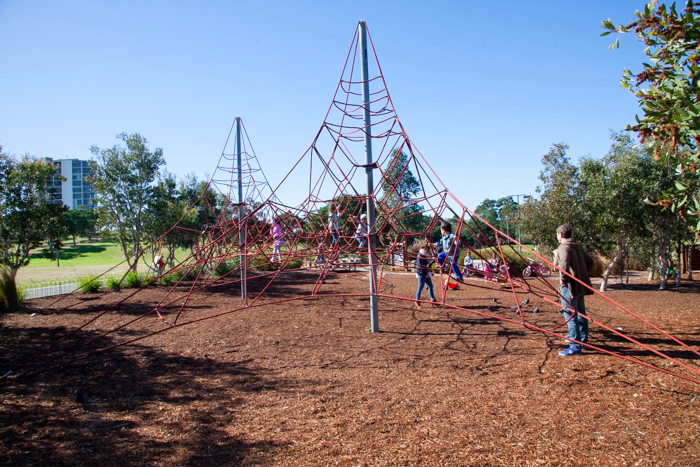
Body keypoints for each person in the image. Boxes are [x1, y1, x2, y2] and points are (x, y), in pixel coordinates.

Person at [554, 223, 594, 356]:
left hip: (570, 287)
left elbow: (564, 263)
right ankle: (583, 342)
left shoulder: (563, 247)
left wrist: (564, 280)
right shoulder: (577, 247)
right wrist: (581, 273)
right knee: (581, 314)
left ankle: (575, 346)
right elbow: (590, 262)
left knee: (571, 315)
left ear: (560, 235)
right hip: (580, 286)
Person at [415, 243, 439, 308]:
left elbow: (428, 265)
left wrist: (430, 272)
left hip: (426, 273)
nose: (428, 252)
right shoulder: (420, 256)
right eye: (427, 250)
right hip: (422, 274)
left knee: (430, 286)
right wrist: (425, 274)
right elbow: (420, 267)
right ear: (424, 249)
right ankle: (417, 301)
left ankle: (433, 300)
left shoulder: (426, 255)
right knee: (420, 287)